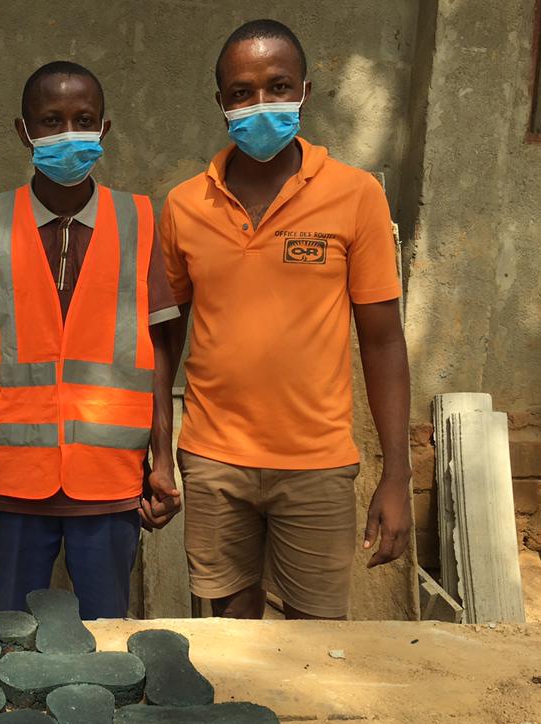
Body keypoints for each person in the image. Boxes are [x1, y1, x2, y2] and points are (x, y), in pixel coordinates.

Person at [160, 20, 413, 621]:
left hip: (317, 464)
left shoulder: (356, 196)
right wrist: (159, 454)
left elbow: (383, 342)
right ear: (220, 102)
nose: (261, 103)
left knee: (314, 643)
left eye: (277, 86)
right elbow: (164, 340)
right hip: (213, 460)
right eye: (241, 92)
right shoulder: (184, 205)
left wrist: (397, 475)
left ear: (305, 91)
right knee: (229, 634)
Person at [0, 61, 181, 620]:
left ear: (104, 129)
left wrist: (162, 461)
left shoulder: (139, 219)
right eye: (51, 121)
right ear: (24, 131)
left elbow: (156, 352)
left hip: (110, 484)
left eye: (84, 120)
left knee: (107, 641)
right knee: (14, 638)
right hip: (12, 489)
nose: (68, 133)